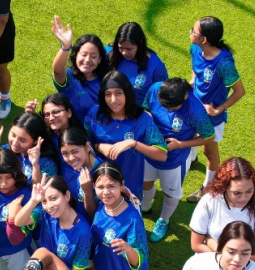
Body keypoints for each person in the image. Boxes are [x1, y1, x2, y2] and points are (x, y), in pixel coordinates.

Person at [142, 77, 213, 242]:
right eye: (164, 106)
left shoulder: (196, 111)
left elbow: (209, 136)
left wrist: (180, 144)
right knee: (145, 182)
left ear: (185, 96)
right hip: (150, 151)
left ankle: (164, 219)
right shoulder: (155, 89)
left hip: (174, 159)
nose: (168, 111)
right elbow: (145, 109)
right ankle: (145, 205)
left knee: (170, 192)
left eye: (173, 108)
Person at [185, 16, 245, 202]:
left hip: (211, 116)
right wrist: (193, 80)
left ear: (204, 39)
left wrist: (218, 110)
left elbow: (239, 91)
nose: (190, 32)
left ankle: (209, 187)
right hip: (194, 107)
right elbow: (195, 66)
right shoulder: (196, 48)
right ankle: (192, 160)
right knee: (189, 135)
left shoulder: (224, 64)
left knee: (209, 152)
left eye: (193, 31)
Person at [86, 71, 168, 199]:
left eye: (118, 93)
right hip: (100, 185)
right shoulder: (95, 113)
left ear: (127, 93)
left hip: (129, 184)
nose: (113, 100)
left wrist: (133, 143)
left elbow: (162, 154)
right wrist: (99, 147)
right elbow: (84, 143)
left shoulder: (142, 118)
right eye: (108, 94)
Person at [49, 15, 108, 122]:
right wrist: (65, 47)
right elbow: (57, 71)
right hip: (73, 131)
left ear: (100, 59)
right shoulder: (70, 79)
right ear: (76, 55)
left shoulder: (107, 80)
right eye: (83, 55)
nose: (87, 60)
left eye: (93, 56)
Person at [108, 21, 168, 95]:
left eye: (129, 49)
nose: (124, 52)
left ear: (140, 43)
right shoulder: (110, 53)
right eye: (121, 48)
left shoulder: (156, 66)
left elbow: (164, 94)